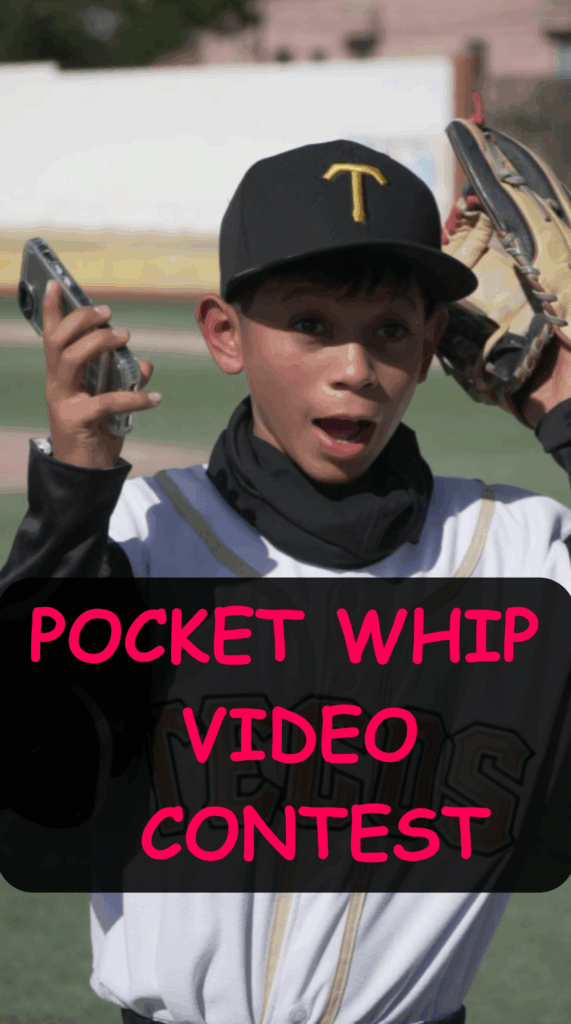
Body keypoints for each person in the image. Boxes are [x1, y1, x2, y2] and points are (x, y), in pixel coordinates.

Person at [2, 139, 571, 1024]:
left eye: (390, 329)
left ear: (433, 341)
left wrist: (558, 396)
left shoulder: (520, 554)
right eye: (309, 324)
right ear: (224, 334)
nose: (354, 368)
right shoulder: (140, 539)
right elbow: (37, 772)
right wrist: (72, 492)